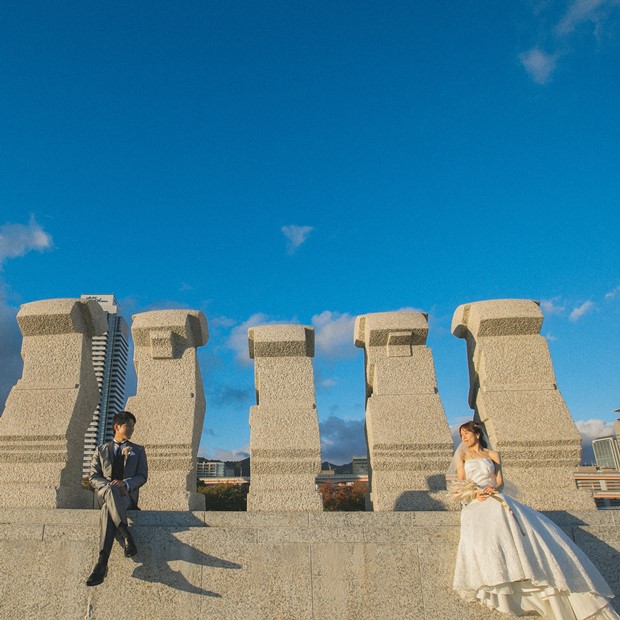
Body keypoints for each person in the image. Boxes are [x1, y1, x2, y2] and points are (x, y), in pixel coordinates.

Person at [451, 421, 619, 619]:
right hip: (476, 499)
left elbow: (500, 481)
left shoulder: (493, 455)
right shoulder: (462, 455)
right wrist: (475, 493)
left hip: (496, 496)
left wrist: (494, 490)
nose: (463, 437)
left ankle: (528, 569)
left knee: (512, 518)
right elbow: (461, 481)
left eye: (466, 433)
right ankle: (498, 578)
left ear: (477, 434)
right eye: (461, 434)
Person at [86, 411, 148, 587]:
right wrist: (108, 484)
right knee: (109, 491)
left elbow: (142, 476)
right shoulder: (101, 450)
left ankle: (102, 563)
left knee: (108, 510)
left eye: (133, 427)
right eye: (128, 426)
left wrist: (125, 484)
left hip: (126, 498)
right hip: (104, 494)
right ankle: (125, 533)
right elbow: (92, 477)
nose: (131, 430)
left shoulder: (138, 450)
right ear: (117, 427)